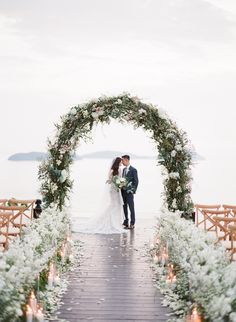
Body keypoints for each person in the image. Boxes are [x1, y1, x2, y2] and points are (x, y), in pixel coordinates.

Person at [77, 157, 127, 234]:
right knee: (114, 205)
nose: (121, 163)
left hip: (115, 189)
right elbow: (110, 180)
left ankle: (112, 221)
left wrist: (119, 183)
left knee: (115, 205)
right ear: (117, 162)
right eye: (120, 162)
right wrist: (118, 183)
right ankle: (108, 221)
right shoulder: (115, 170)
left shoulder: (115, 170)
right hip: (113, 190)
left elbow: (112, 180)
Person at [121, 155, 139, 229]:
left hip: (129, 193)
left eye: (123, 161)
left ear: (126, 160)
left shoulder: (133, 170)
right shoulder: (123, 170)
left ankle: (132, 223)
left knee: (131, 208)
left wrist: (132, 190)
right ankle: (126, 222)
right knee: (124, 207)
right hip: (123, 192)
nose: (122, 162)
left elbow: (136, 181)